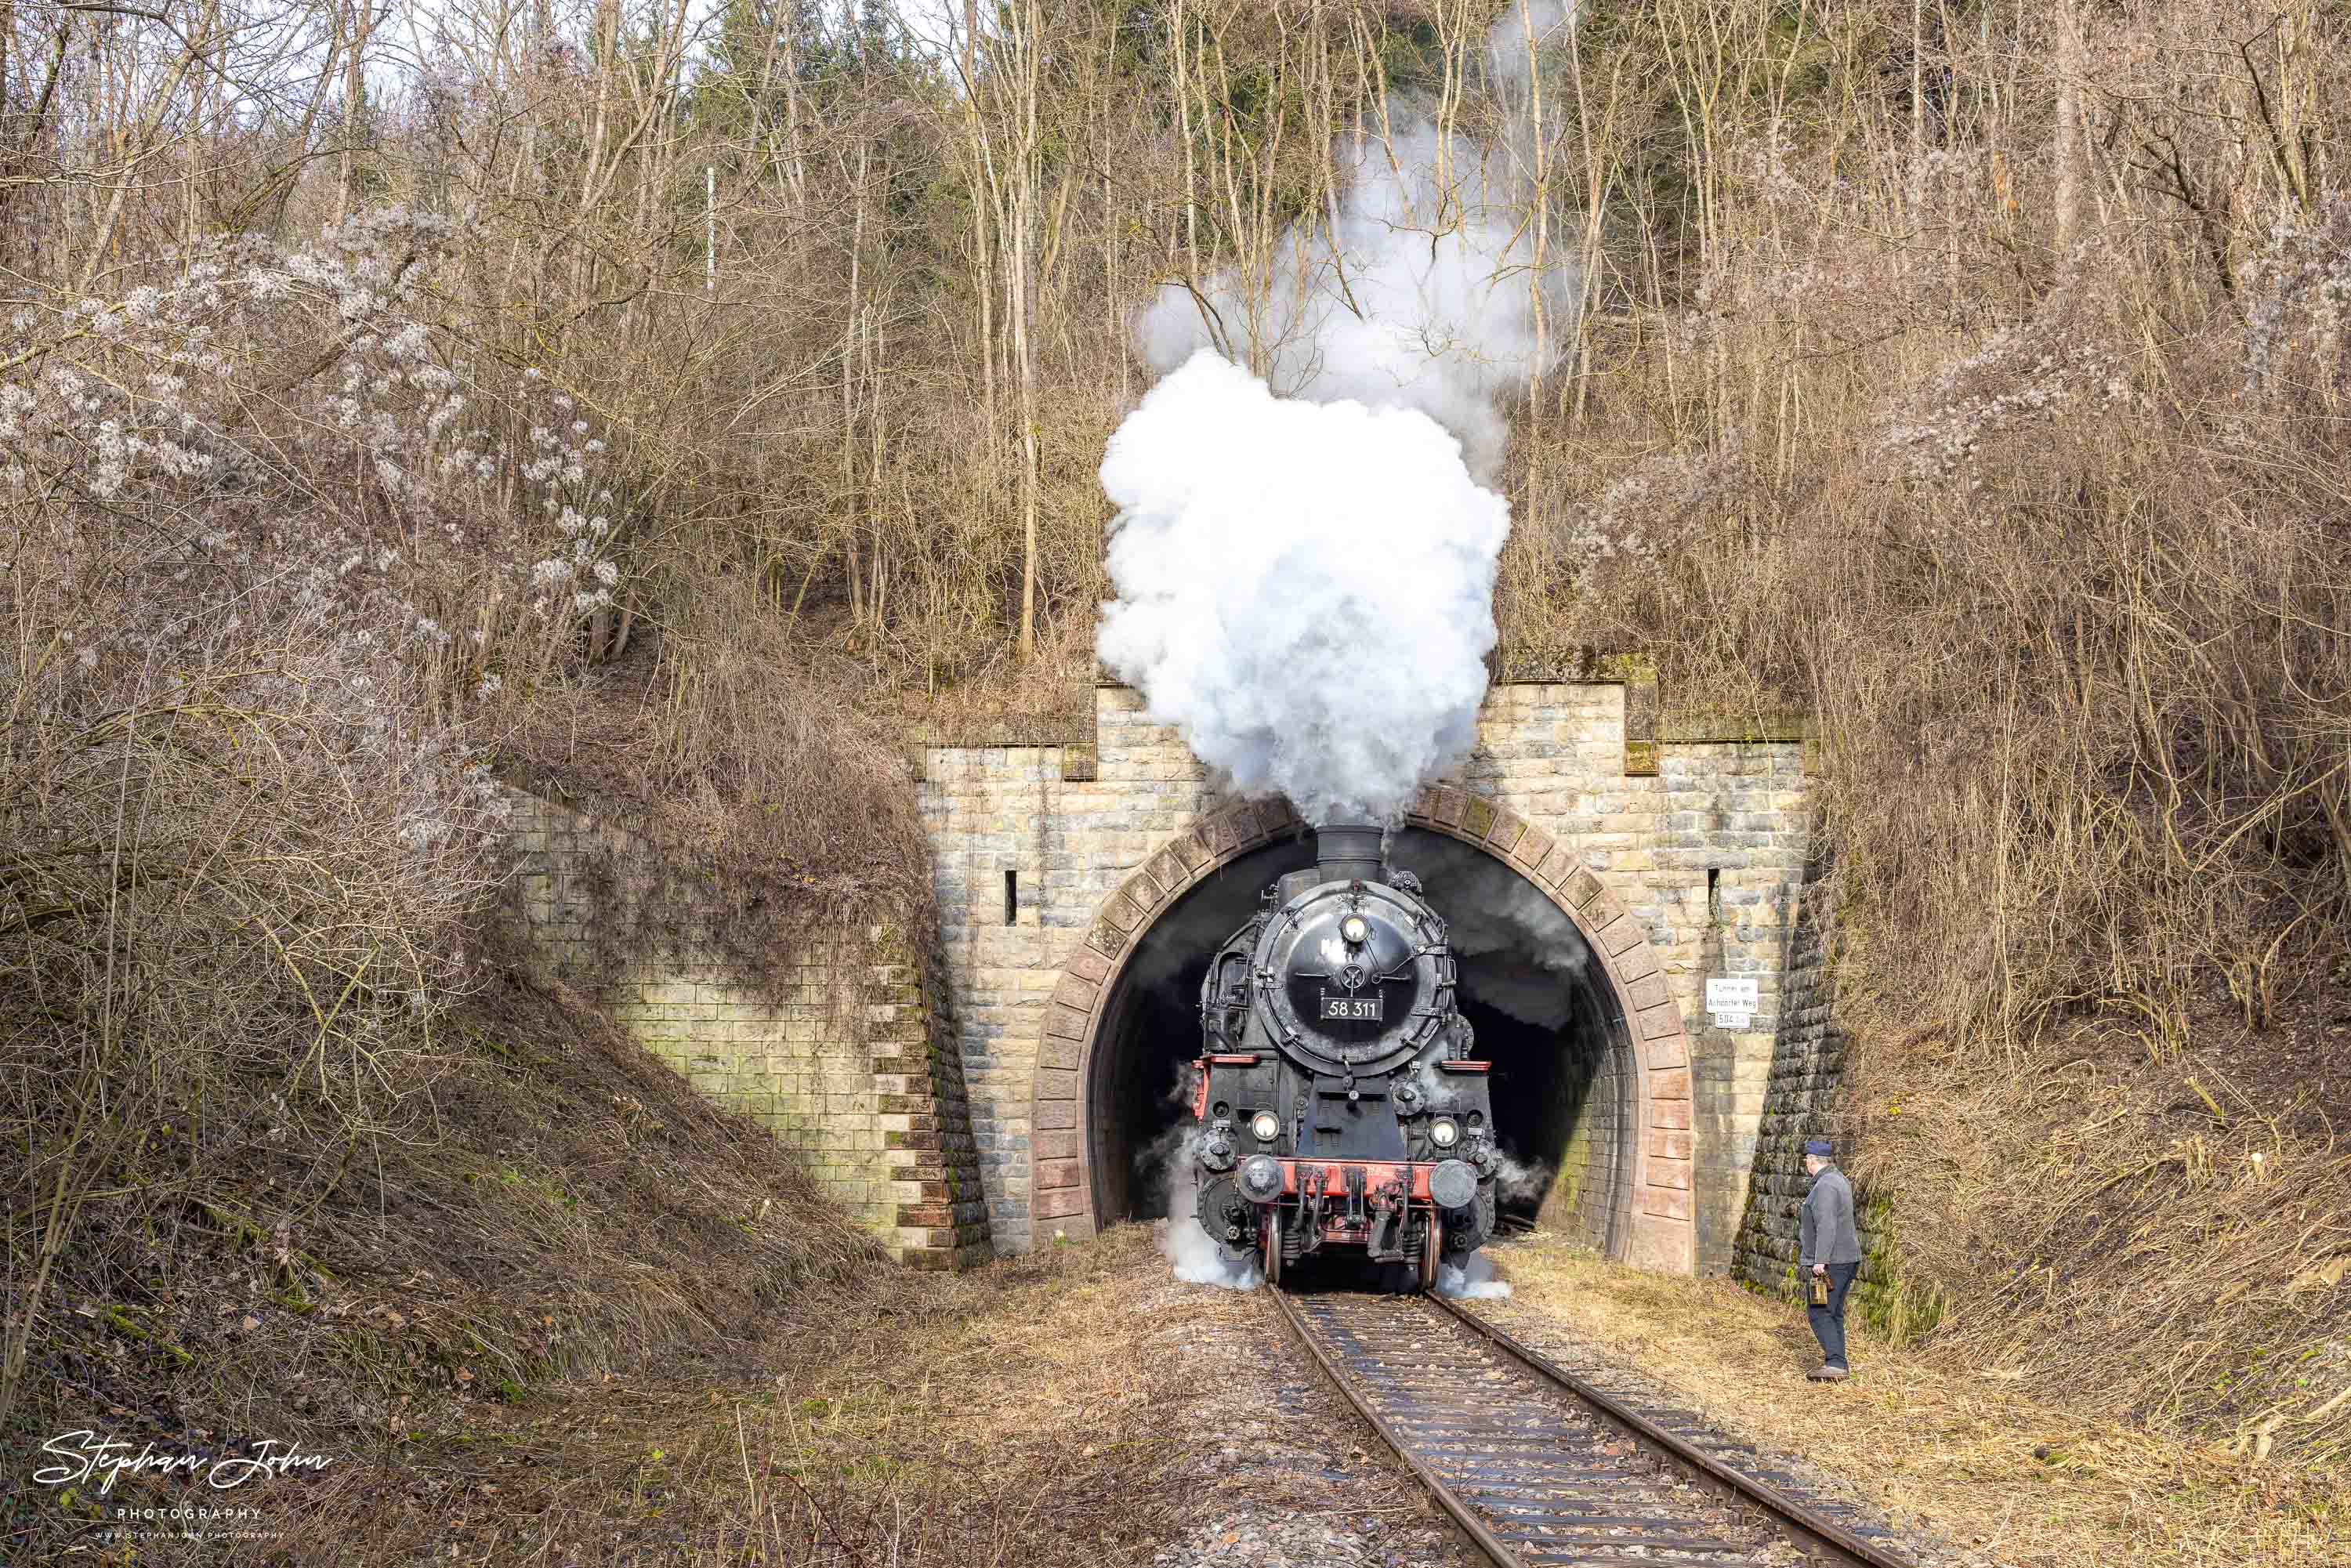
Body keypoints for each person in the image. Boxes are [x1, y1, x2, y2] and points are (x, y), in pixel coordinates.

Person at [1798, 1137, 1861, 1381]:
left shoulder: (1824, 1186)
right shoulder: (1839, 1179)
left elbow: (1827, 1226)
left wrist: (1820, 1261)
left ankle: (1836, 1364)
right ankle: (1837, 1362)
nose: (1806, 1163)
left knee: (1819, 1311)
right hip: (1845, 1259)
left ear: (1812, 1161)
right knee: (1833, 1312)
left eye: (1807, 1159)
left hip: (1831, 1262)